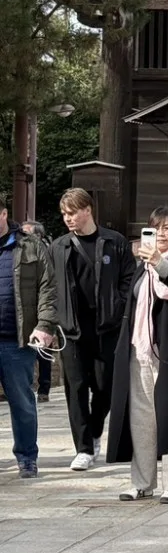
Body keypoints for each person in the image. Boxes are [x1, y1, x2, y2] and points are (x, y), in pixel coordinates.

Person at [107, 205, 168, 503]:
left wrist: (160, 262)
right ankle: (141, 481)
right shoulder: (141, 265)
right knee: (141, 418)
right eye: (155, 228)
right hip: (139, 350)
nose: (161, 233)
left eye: (167, 228)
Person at [51, 188, 137, 472]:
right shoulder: (59, 247)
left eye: (72, 212)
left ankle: (96, 428)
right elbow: (50, 287)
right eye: (64, 214)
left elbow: (129, 279)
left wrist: (119, 304)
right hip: (72, 328)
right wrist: (50, 323)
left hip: (107, 326)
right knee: (75, 389)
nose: (68, 219)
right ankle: (83, 447)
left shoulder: (115, 242)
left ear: (87, 209)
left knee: (105, 387)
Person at [0, 194, 57, 478]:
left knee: (21, 400)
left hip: (17, 339)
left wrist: (45, 324)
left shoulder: (30, 245)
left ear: (4, 214)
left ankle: (26, 457)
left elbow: (48, 288)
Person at [22, 222, 54, 404]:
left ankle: (44, 388)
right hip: (23, 313)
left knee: (42, 354)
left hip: (41, 312)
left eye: (27, 233)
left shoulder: (46, 253)